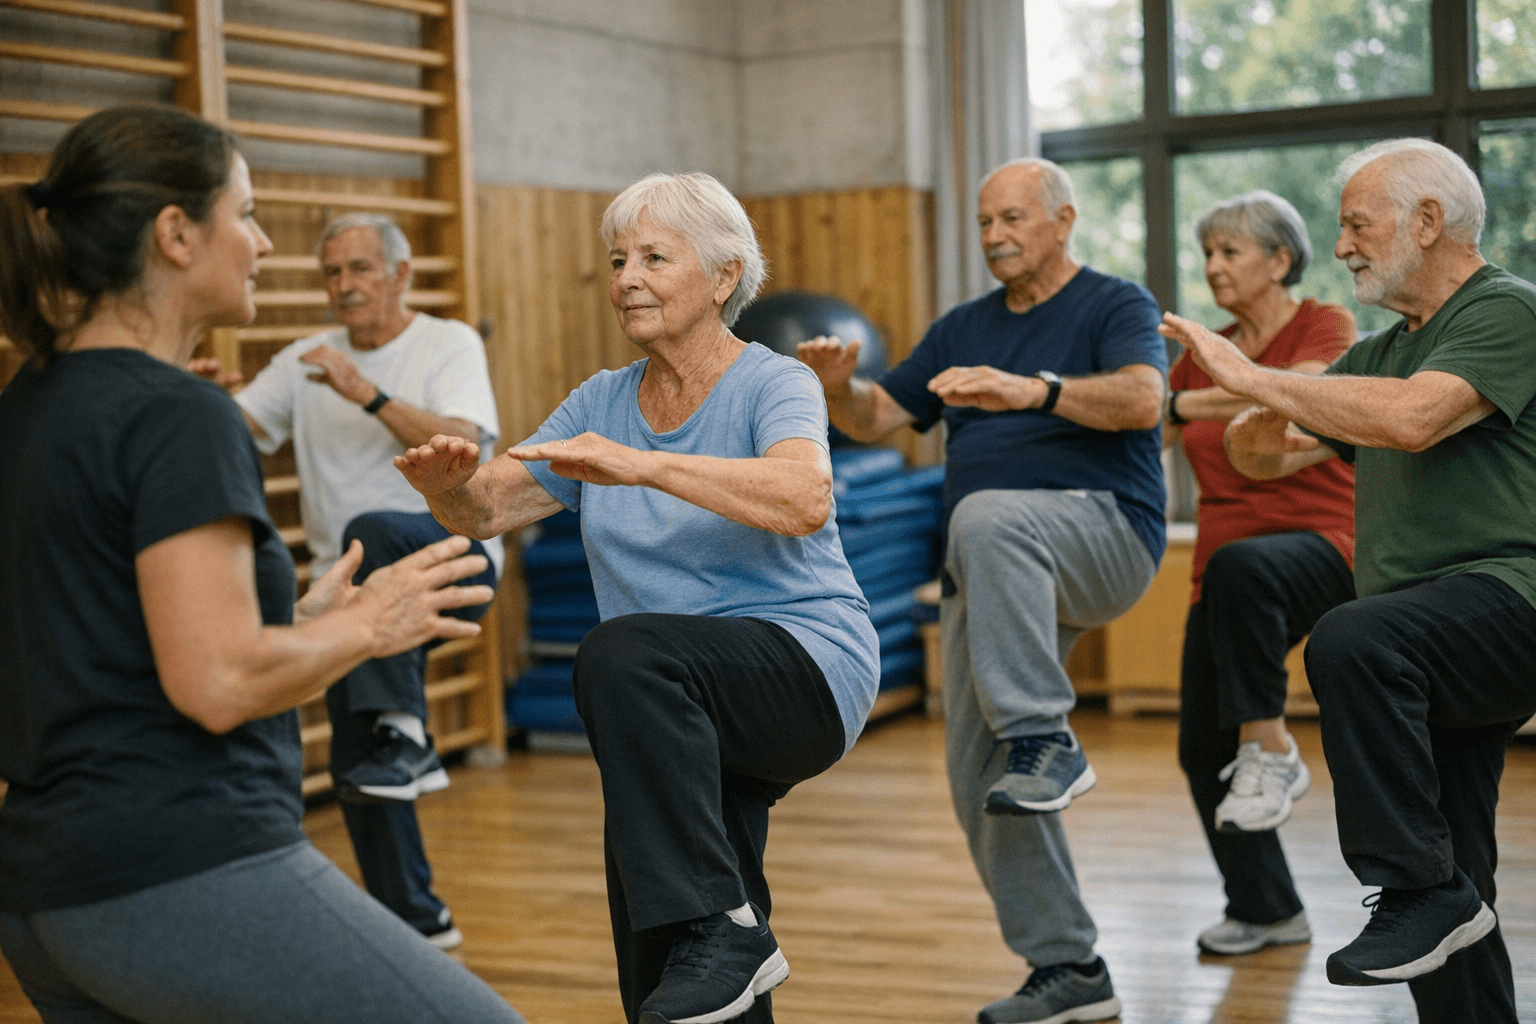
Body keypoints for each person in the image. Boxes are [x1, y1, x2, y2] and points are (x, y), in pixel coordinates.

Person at [0, 104, 524, 1024]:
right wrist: (370, 623)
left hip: (42, 895)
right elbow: (217, 681)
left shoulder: (27, 408)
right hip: (177, 869)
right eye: (244, 214)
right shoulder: (178, 414)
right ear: (175, 235)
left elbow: (110, 645)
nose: (263, 245)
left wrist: (307, 627)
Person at [396, 170, 880, 1024]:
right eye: (619, 259)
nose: (627, 278)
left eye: (655, 257)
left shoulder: (775, 383)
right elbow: (490, 508)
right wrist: (449, 491)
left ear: (724, 277)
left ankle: (725, 929)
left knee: (622, 653)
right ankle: (728, 941)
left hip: (802, 668)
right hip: (667, 707)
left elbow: (804, 499)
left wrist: (641, 462)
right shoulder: (601, 400)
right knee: (674, 962)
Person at [1161, 137, 1536, 1024]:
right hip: (1428, 641)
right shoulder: (1375, 355)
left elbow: (1414, 420)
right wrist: (1264, 415)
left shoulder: (1507, 311)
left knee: (1352, 635)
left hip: (1508, 599)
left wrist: (1258, 378)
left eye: (1358, 227)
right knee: (1453, 888)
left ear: (1428, 221)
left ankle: (1407, 884)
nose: (1343, 248)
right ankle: (1438, 921)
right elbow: (1270, 453)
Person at [798, 157, 1166, 1024]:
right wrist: (836, 387)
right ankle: (1069, 967)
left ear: (1063, 220)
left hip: (1103, 533)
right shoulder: (962, 326)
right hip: (990, 563)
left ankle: (1046, 733)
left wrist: (1030, 391)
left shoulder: (1116, 305)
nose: (995, 236)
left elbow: (1145, 401)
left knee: (990, 516)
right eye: (984, 223)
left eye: (1012, 219)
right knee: (983, 777)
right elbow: (877, 419)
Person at [231, 211, 502, 949]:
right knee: (365, 765)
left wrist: (369, 395)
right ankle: (417, 918)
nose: (343, 286)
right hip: (350, 586)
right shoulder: (303, 360)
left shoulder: (447, 343)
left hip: (454, 554)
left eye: (359, 269)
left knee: (373, 527)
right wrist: (185, 397)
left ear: (401, 275)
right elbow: (234, 426)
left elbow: (466, 445)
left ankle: (402, 733)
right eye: (331, 272)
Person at [1166, 190, 1358, 956]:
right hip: (1226, 570)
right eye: (1207, 253)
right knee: (1198, 747)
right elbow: (1158, 427)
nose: (1213, 267)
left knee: (1247, 568)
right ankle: (1267, 906)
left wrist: (1179, 401)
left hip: (1329, 544)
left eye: (1231, 252)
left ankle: (1272, 746)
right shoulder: (1198, 356)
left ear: (1280, 261)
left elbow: (1295, 395)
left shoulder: (1325, 325)